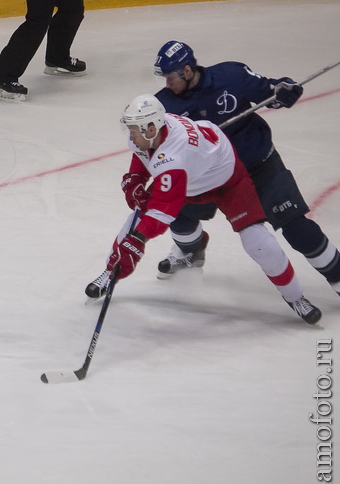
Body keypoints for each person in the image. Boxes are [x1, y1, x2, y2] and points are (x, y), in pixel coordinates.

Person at [85, 95, 322, 325]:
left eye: (134, 130)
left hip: (229, 183)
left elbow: (162, 211)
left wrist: (137, 240)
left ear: (150, 129)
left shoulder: (173, 157)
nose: (130, 136)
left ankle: (296, 297)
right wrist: (135, 180)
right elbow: (143, 157)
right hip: (193, 179)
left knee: (258, 241)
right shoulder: (150, 131)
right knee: (136, 221)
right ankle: (111, 272)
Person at [150, 40, 340, 293]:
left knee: (296, 226)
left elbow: (272, 92)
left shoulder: (231, 75)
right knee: (175, 211)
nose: (167, 83)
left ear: (186, 70)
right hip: (209, 176)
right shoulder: (164, 105)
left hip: (257, 164)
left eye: (170, 77)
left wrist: (284, 91)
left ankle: (338, 277)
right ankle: (190, 251)